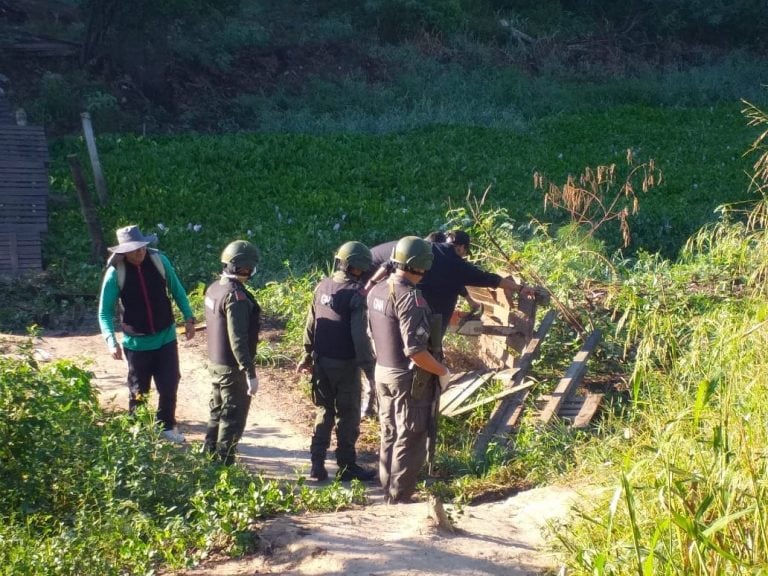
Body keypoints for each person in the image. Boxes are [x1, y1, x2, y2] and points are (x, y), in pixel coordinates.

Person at [367, 236, 452, 504]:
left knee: (389, 431)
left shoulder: (376, 290)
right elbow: (416, 351)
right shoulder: (410, 299)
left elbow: (370, 332)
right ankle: (400, 495)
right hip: (407, 378)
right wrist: (442, 372)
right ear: (422, 265)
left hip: (382, 371)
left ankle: (387, 490)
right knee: (411, 434)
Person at [98, 224, 196, 443]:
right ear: (123, 252)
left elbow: (177, 289)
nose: (139, 252)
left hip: (166, 338)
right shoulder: (116, 273)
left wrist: (189, 318)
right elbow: (104, 312)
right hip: (136, 345)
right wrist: (110, 341)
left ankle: (167, 426)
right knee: (138, 390)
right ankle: (138, 432)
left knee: (170, 384)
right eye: (133, 249)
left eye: (141, 247)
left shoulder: (159, 261)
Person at [297, 241, 377, 482]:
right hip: (345, 365)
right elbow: (359, 337)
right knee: (348, 415)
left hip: (321, 362)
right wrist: (370, 371)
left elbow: (311, 324)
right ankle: (346, 465)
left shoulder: (322, 286)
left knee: (324, 411)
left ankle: (317, 464)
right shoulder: (356, 295)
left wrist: (306, 356)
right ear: (358, 268)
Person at [203, 240, 262, 465]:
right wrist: (249, 372)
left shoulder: (214, 288)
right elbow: (238, 339)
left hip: (216, 364)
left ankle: (208, 458)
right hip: (232, 369)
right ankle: (223, 466)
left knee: (217, 412)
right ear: (245, 267)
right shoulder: (235, 297)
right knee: (232, 417)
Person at [418, 229, 533, 338]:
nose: (464, 257)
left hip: (407, 306)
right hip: (430, 318)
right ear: (462, 247)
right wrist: (520, 288)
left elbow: (453, 281)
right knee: (425, 348)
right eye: (465, 253)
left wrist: (470, 300)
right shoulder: (457, 265)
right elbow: (488, 278)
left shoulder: (429, 247)